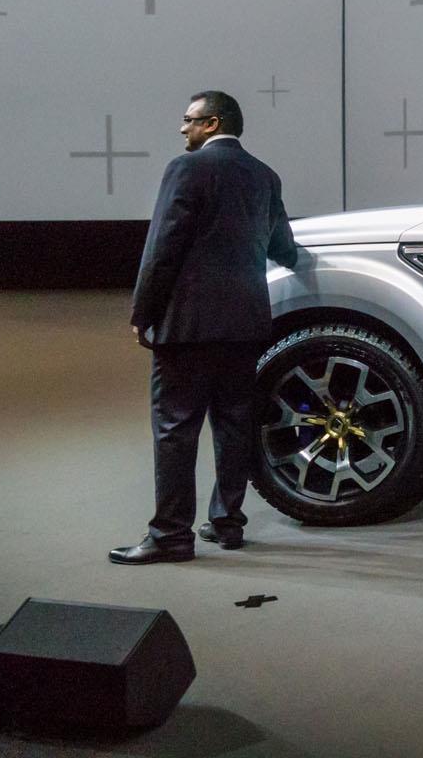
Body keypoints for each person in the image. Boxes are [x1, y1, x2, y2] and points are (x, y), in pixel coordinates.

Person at [109, 91, 299, 564]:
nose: (182, 128)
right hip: (246, 324)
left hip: (189, 325)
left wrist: (143, 312)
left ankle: (171, 536)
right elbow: (284, 248)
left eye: (189, 119)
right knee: (234, 425)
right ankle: (227, 523)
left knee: (175, 428)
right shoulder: (265, 175)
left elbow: (162, 246)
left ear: (212, 123)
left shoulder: (186, 169)